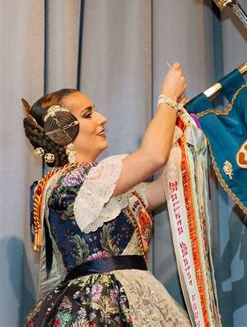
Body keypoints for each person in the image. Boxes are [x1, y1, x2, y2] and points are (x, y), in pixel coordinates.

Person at [22, 63, 191, 326]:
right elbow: (153, 156)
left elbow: (168, 185)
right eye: (88, 114)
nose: (102, 118)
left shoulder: (102, 184)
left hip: (131, 295)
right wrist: (167, 98)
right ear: (62, 128)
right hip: (98, 307)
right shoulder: (70, 181)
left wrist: (178, 126)